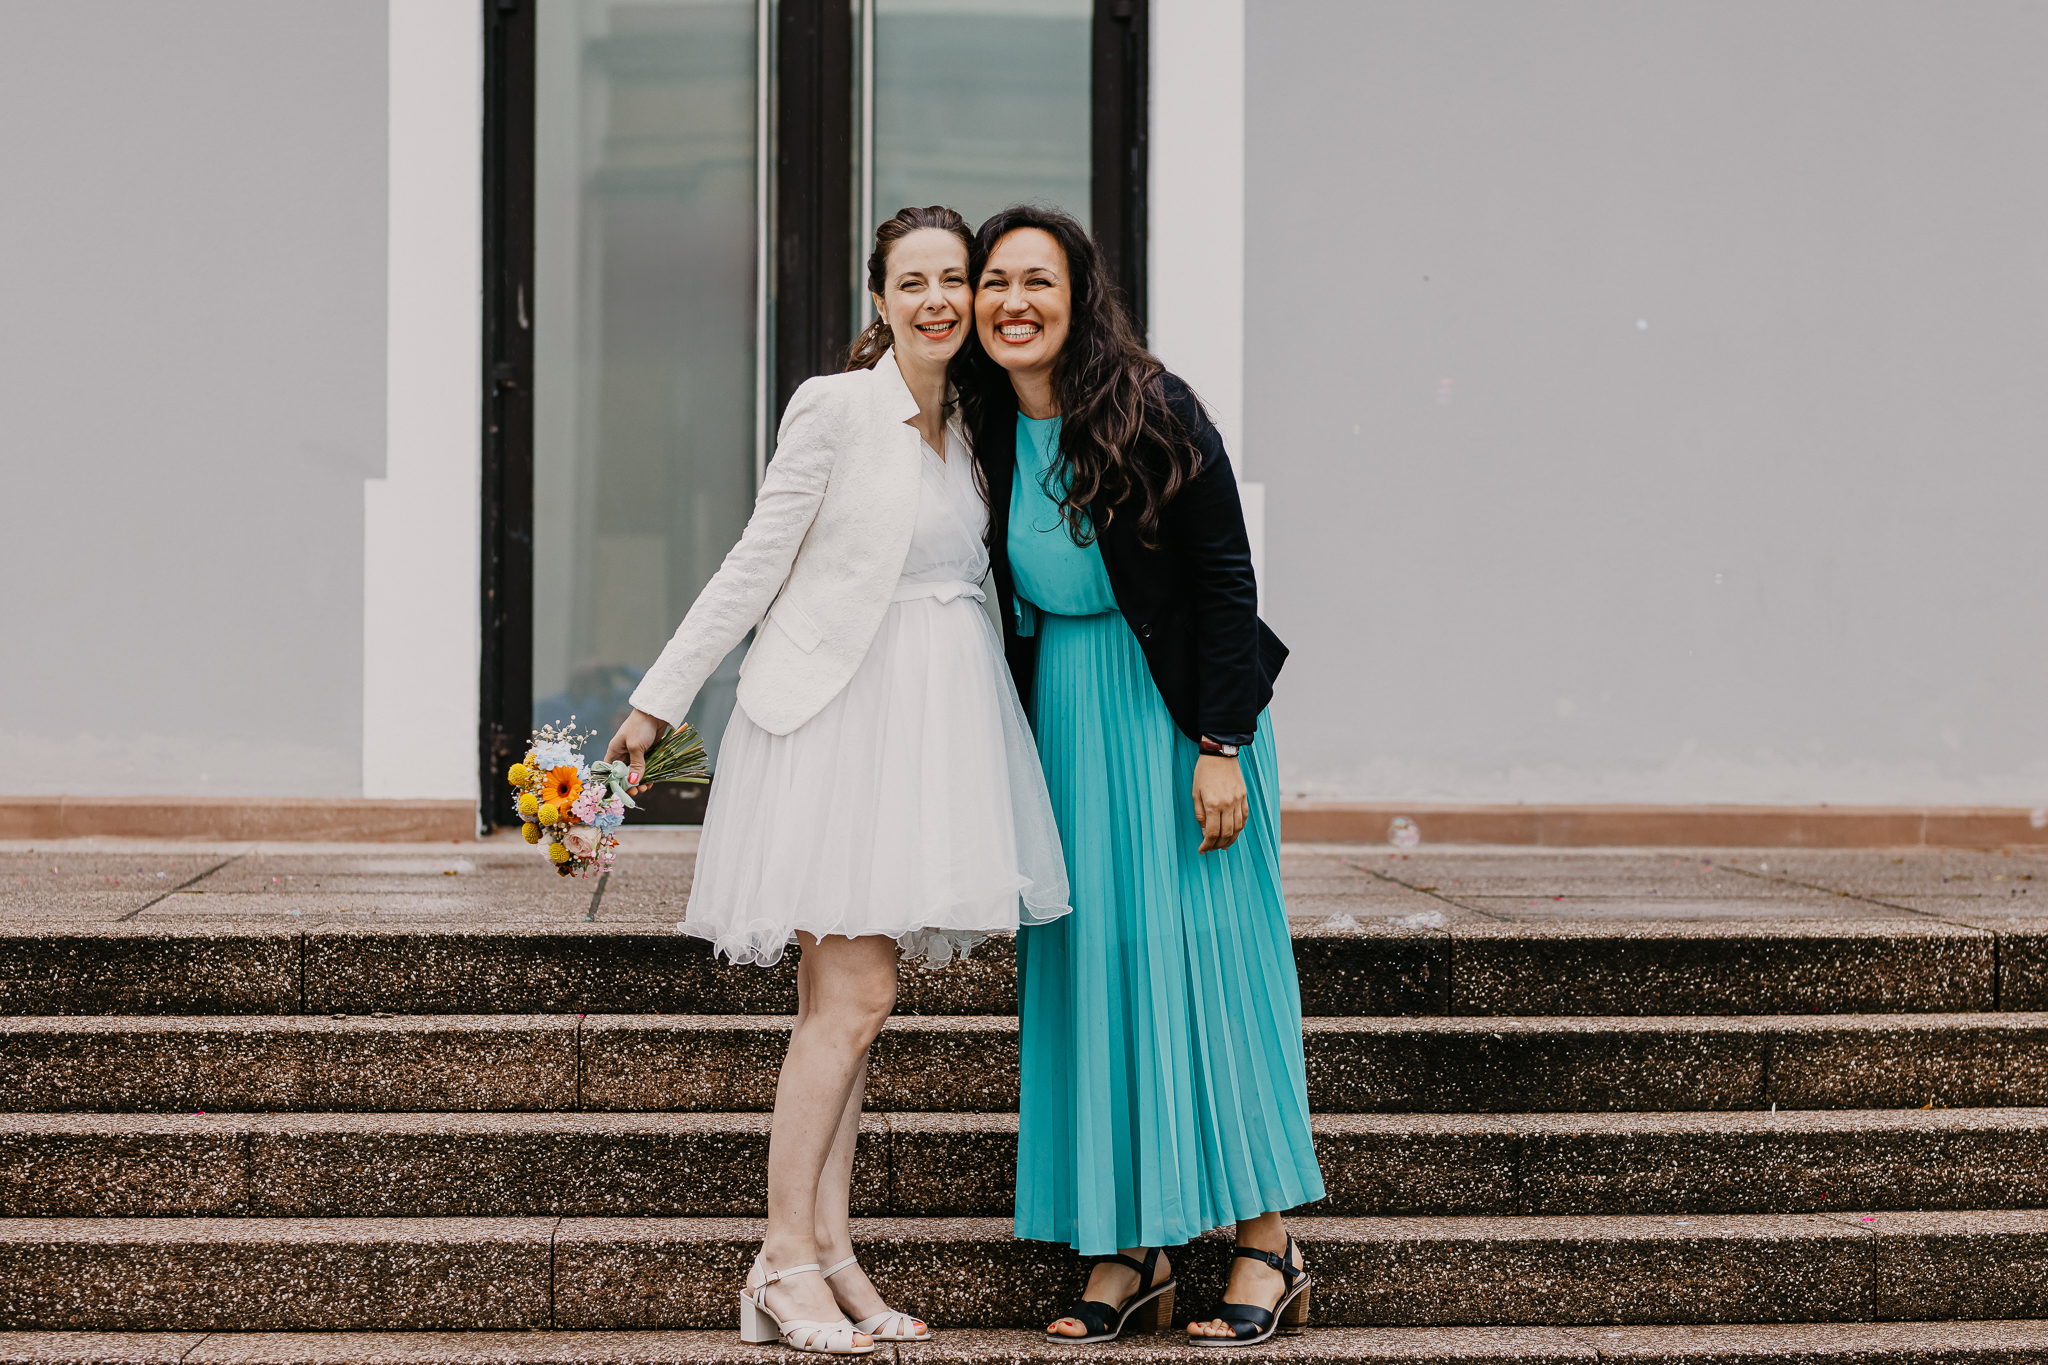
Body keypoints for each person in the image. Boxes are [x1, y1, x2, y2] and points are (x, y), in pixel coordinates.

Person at [606, 206, 1069, 1356]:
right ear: (878, 298)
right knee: (854, 1003)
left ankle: (832, 1251)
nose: (937, 300)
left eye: (953, 279)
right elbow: (753, 562)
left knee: (844, 1013)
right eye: (912, 281)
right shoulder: (835, 407)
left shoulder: (972, 423)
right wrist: (656, 701)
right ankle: (780, 1258)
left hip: (929, 740)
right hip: (838, 731)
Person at [953, 205, 1324, 1348]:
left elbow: (1224, 578)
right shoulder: (977, 421)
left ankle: (1268, 1243)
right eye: (993, 282)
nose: (1013, 302)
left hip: (1175, 725)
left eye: (1036, 280)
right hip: (1064, 728)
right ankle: (1127, 1246)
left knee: (1211, 970)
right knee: (1093, 982)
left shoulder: (1151, 407)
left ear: (1078, 296)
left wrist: (1220, 746)